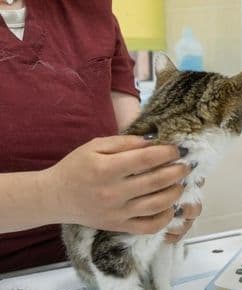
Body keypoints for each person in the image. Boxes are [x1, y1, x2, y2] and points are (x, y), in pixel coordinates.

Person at [0, 0, 202, 273]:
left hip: (98, 269)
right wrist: (56, 194)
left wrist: (163, 185)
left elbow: (134, 141)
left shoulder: (91, 11)